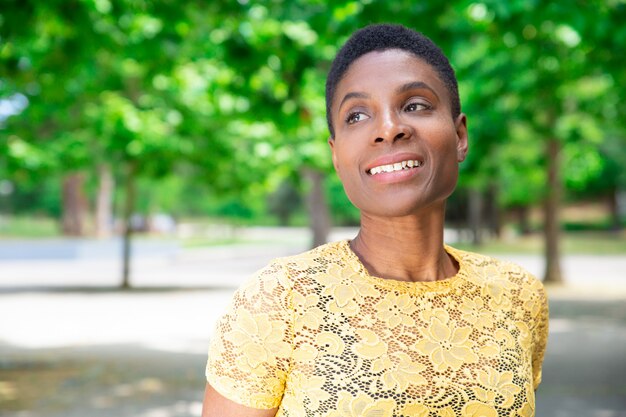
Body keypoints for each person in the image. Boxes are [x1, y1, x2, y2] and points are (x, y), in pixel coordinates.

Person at [201, 23, 549, 417]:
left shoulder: (519, 295)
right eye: (357, 115)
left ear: (459, 135)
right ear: (336, 155)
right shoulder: (279, 299)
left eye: (415, 105)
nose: (388, 129)